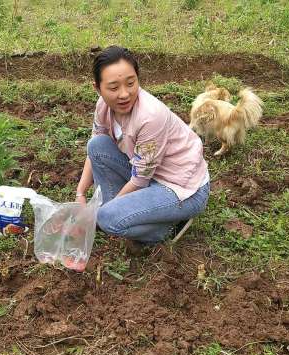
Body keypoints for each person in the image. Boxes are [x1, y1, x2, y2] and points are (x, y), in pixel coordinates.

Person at [75, 45, 210, 253]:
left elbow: (140, 180)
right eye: (113, 87)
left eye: (131, 83)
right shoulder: (103, 106)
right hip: (150, 175)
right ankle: (128, 217)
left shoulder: (150, 116)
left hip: (182, 188)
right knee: (97, 146)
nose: (124, 94)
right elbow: (94, 150)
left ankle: (169, 227)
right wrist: (80, 194)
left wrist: (103, 215)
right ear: (98, 88)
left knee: (107, 217)